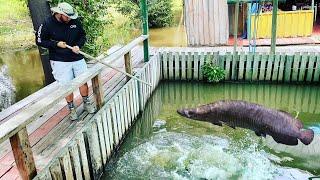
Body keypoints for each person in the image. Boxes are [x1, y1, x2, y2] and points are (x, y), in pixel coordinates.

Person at [35, 2, 95, 121]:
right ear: (59, 13)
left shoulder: (74, 21)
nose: (69, 19)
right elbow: (40, 40)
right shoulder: (47, 23)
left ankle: (86, 103)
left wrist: (78, 45)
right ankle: (71, 108)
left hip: (76, 58)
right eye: (67, 16)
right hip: (60, 60)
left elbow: (82, 36)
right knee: (66, 86)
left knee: (83, 81)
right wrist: (56, 44)